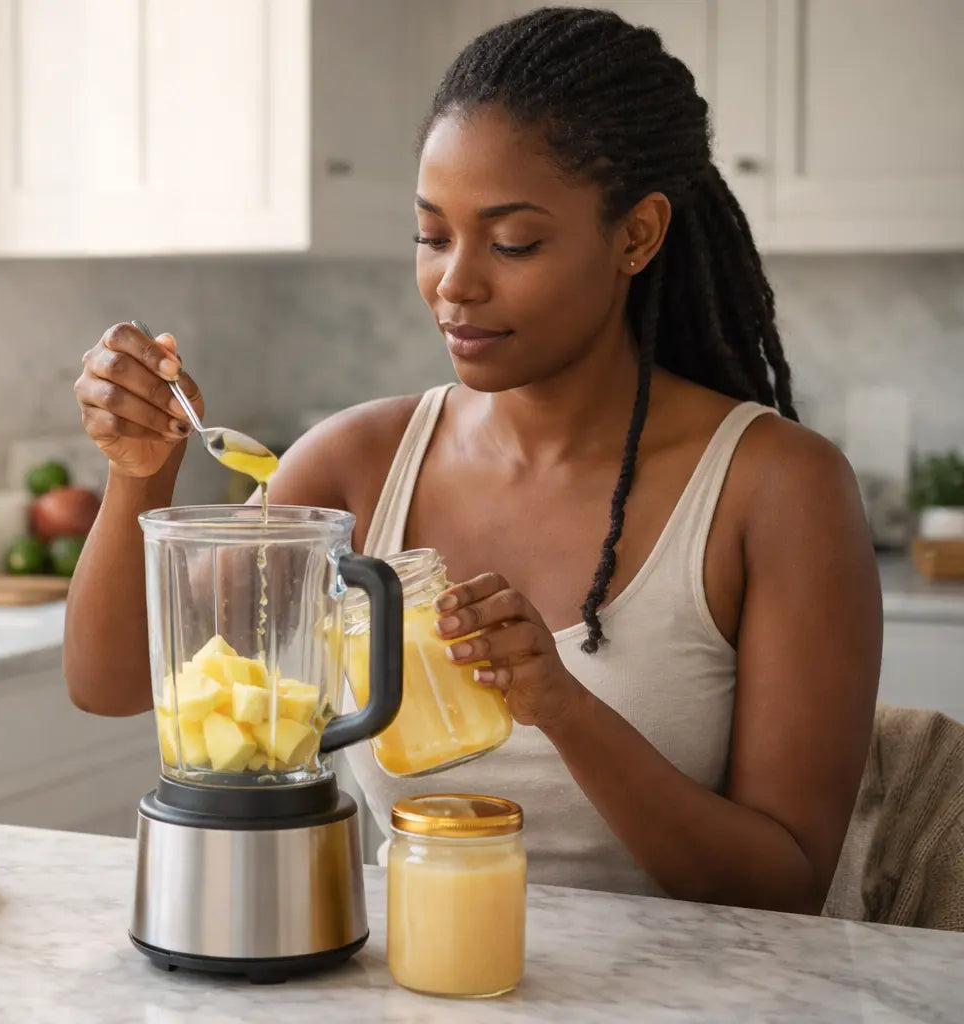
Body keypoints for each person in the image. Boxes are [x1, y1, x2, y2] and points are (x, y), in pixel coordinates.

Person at [64, 6, 881, 912]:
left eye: (513, 241)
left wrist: (564, 709)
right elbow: (111, 687)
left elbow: (787, 885)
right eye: (432, 234)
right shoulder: (357, 466)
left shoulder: (775, 489)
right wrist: (141, 470)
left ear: (637, 236)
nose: (456, 283)